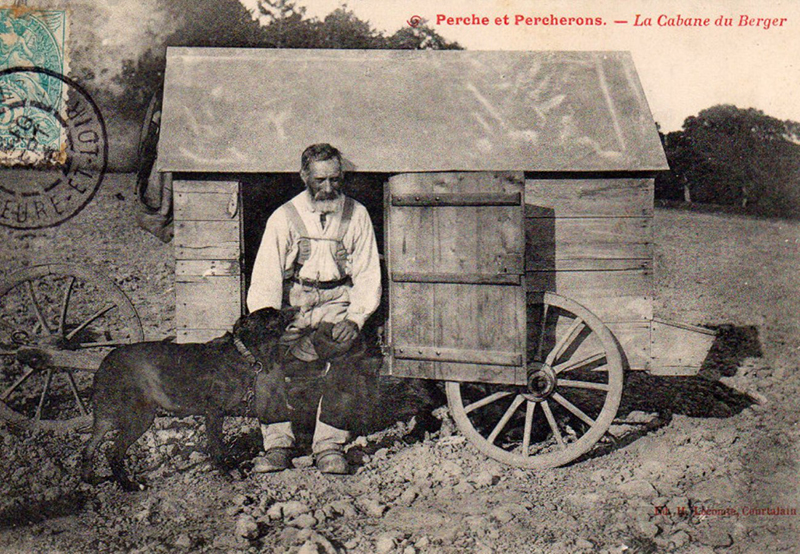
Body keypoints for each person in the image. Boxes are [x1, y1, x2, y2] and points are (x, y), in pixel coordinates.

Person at [247, 143, 381, 474]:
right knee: (267, 360)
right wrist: (266, 320)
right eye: (320, 180)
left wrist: (356, 317)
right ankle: (277, 443)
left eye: (335, 180)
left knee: (348, 354)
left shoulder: (357, 215)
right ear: (304, 176)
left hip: (337, 304)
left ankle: (329, 443)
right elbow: (266, 274)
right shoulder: (284, 217)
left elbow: (367, 273)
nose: (328, 188)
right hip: (296, 304)